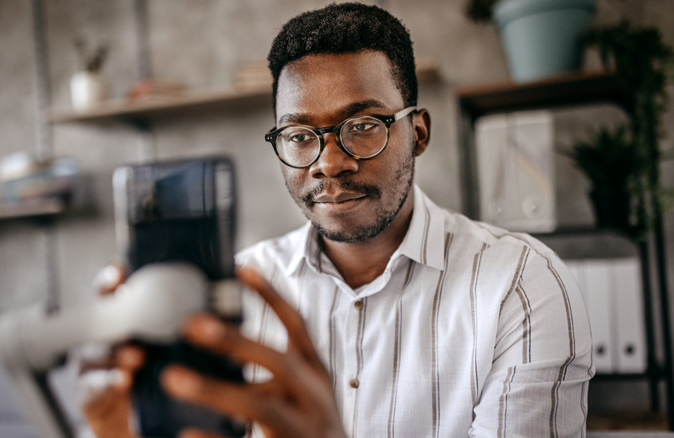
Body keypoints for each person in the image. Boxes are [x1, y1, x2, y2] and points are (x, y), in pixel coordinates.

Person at [81, 3, 593, 437]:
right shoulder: (232, 297)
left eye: (364, 125)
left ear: (418, 132)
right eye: (300, 135)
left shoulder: (521, 286)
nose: (329, 162)